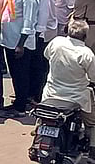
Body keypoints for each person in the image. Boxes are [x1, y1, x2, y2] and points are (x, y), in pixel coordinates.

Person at [41, 19, 95, 153]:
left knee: (43, 116)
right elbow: (93, 77)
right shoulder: (86, 53)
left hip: (51, 93)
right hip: (76, 97)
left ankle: (39, 129)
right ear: (85, 36)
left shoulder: (56, 42)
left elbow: (46, 55)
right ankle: (92, 149)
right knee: (92, 122)